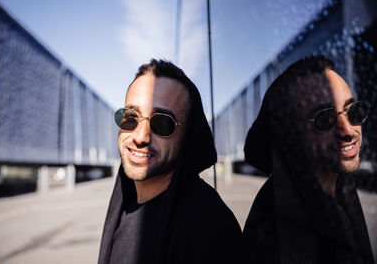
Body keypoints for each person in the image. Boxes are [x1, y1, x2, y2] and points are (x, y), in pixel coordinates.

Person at [98, 59, 243, 264]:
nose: (140, 137)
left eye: (162, 123)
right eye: (131, 117)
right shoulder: (125, 203)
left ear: (187, 136)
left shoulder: (206, 228)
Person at [242, 55, 374, 263]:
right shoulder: (277, 238)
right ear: (291, 134)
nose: (348, 130)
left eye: (353, 111)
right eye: (325, 118)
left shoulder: (340, 186)